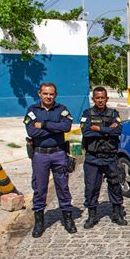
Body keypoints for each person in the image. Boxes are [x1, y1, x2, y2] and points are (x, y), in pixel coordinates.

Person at [24, 82, 76, 237]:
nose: (48, 96)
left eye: (51, 94)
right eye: (45, 93)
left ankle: (67, 218)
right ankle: (39, 221)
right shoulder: (32, 110)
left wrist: (44, 125)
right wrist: (54, 128)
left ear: (56, 95)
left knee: (63, 186)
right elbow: (32, 131)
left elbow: (66, 127)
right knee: (39, 188)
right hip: (40, 155)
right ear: (39, 93)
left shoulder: (62, 109)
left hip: (59, 153)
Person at [80, 86, 127, 229]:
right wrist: (108, 130)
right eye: (97, 98)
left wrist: (99, 129)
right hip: (93, 158)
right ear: (93, 99)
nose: (100, 100)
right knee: (91, 187)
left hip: (110, 157)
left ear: (107, 99)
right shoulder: (87, 114)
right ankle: (92, 216)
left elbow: (118, 130)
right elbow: (86, 132)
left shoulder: (114, 113)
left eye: (103, 98)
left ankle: (116, 213)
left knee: (115, 185)